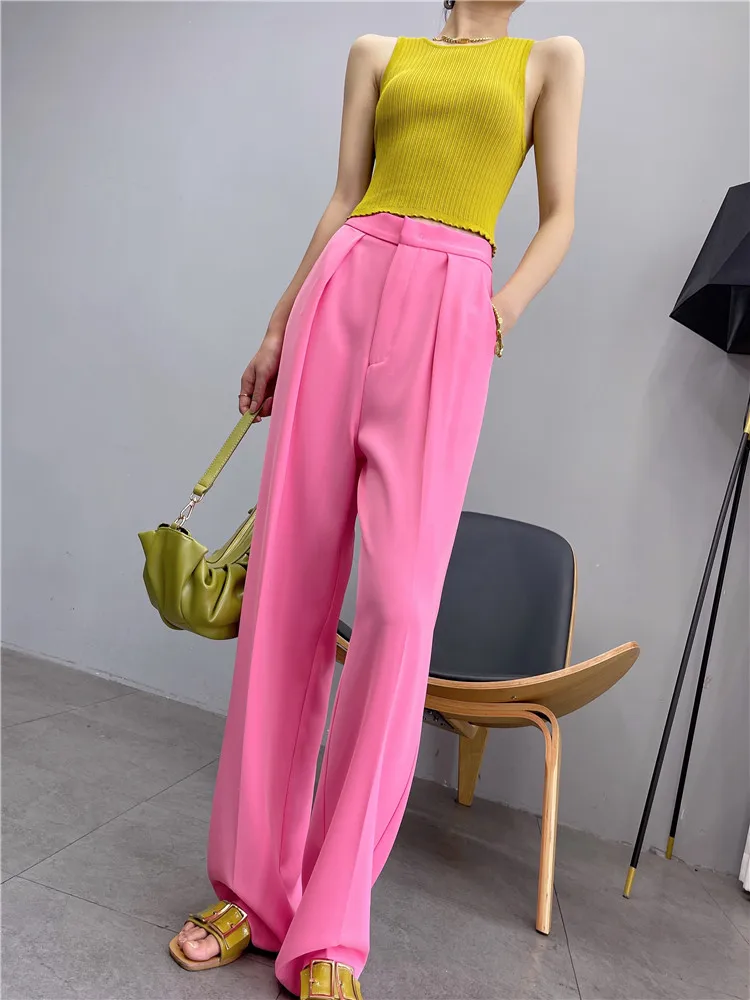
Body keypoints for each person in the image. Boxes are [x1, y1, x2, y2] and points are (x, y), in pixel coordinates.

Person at [168, 2, 584, 996]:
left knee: (398, 613)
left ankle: (329, 926)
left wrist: (499, 308)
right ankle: (251, 893)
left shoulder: (549, 60)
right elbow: (344, 197)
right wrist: (278, 329)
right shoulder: (378, 53)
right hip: (342, 293)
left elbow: (562, 213)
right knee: (286, 596)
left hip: (451, 309)